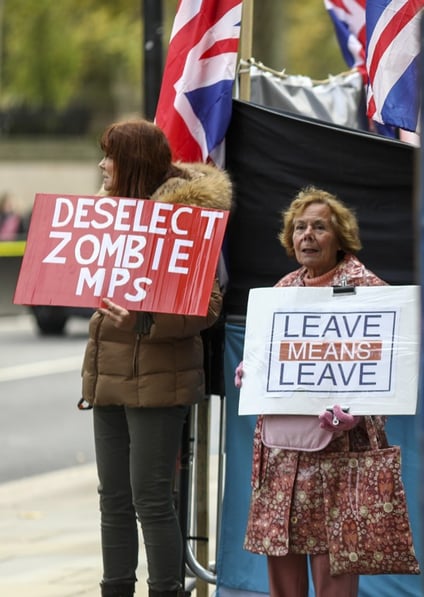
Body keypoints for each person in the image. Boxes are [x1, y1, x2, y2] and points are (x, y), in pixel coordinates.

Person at [81, 119, 233, 597]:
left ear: (134, 165)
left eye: (110, 156)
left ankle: (166, 589)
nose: (102, 165)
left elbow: (206, 307)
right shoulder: (110, 218)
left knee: (151, 499)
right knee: (114, 501)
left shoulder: (184, 221)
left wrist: (143, 322)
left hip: (160, 380)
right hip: (109, 377)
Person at [235, 186, 389, 597]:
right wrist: (252, 369)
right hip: (282, 449)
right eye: (300, 227)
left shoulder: (367, 288)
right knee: (280, 546)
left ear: (340, 237)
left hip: (337, 450)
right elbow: (269, 355)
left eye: (319, 227)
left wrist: (358, 411)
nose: (307, 235)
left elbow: (387, 368)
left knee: (332, 553)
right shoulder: (283, 289)